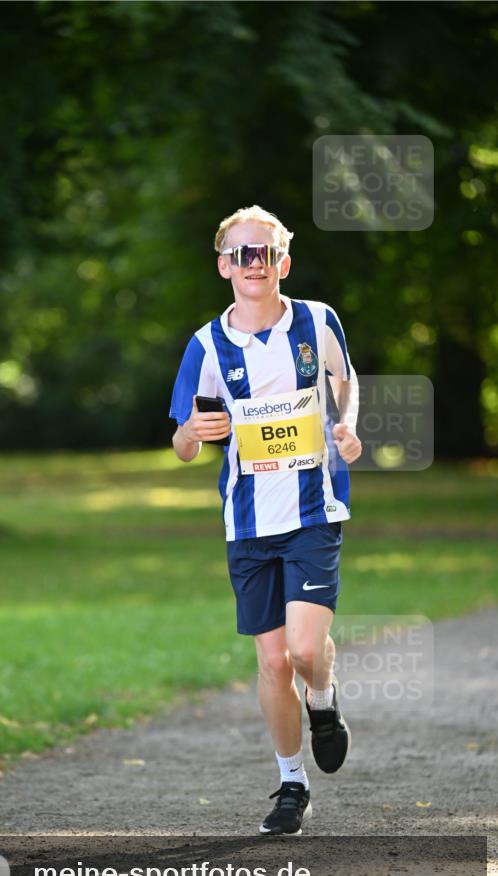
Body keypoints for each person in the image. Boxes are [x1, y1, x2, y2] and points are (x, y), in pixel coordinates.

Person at [169, 205, 362, 835]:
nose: (256, 264)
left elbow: (344, 378)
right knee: (274, 662)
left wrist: (347, 425)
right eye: (242, 254)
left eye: (267, 253)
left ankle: (324, 701)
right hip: (248, 522)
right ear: (224, 265)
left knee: (306, 650)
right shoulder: (207, 345)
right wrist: (193, 432)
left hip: (313, 509)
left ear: (284, 261)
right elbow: (183, 440)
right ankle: (290, 784)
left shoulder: (316, 320)